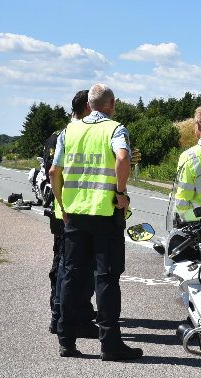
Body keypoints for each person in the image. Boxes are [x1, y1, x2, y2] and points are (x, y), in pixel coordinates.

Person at [49, 83, 142, 360]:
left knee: (72, 276)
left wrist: (63, 205)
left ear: (89, 105)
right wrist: (121, 193)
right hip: (105, 215)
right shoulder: (115, 129)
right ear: (111, 105)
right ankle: (110, 343)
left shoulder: (69, 130)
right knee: (107, 279)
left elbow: (55, 171)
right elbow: (123, 157)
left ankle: (66, 340)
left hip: (75, 215)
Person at [46, 90, 96, 337]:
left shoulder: (57, 135)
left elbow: (51, 172)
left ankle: (60, 316)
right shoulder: (80, 135)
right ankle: (69, 317)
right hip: (76, 212)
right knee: (77, 269)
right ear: (88, 108)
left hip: (61, 211)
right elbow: (54, 172)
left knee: (63, 265)